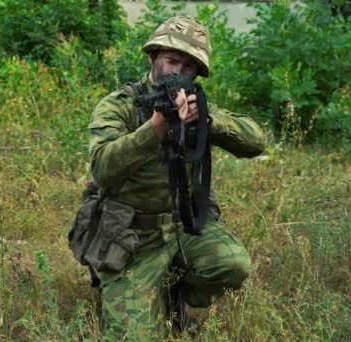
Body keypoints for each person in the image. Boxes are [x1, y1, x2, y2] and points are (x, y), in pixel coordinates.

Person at [87, 16, 265, 339]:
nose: (177, 72)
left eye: (188, 66)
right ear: (153, 57)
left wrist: (209, 121)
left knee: (234, 265)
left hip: (185, 227)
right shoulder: (120, 106)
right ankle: (132, 292)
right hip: (133, 238)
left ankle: (174, 296)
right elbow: (102, 168)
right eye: (171, 60)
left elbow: (256, 141)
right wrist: (154, 129)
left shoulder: (198, 106)